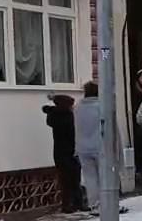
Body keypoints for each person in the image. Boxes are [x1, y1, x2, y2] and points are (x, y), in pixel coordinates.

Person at [43, 94, 86, 213]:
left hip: (59, 151)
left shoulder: (54, 116)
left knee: (65, 179)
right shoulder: (68, 117)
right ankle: (77, 203)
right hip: (71, 150)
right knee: (74, 178)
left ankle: (68, 204)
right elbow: (73, 134)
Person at [75, 82, 101, 213]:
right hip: (100, 146)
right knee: (105, 176)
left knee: (90, 178)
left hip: (83, 147)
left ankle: (94, 205)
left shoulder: (78, 107)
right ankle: (108, 204)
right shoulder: (101, 106)